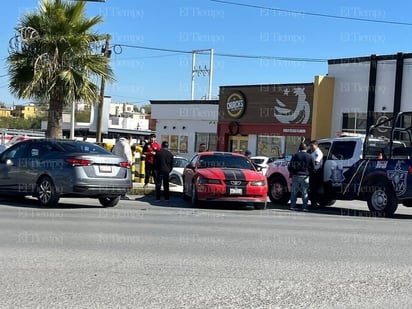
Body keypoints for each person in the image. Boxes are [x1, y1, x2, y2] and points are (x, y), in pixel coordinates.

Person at [288, 143, 315, 212]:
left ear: (299, 149)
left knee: (294, 192)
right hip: (305, 176)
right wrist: (310, 174)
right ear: (306, 149)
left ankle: (292, 206)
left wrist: (292, 173)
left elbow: (289, 166)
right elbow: (313, 168)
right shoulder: (310, 156)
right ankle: (305, 207)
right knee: (305, 192)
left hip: (296, 176)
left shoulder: (295, 156)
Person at [112, 134, 133, 200]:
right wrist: (130, 163)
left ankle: (116, 194)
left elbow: (113, 152)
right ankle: (123, 194)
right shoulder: (126, 144)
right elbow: (127, 154)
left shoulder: (118, 143)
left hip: (116, 164)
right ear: (129, 138)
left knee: (118, 181)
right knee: (124, 181)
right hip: (124, 165)